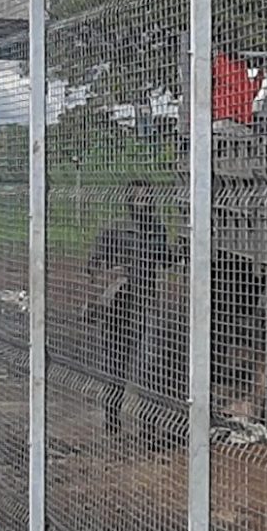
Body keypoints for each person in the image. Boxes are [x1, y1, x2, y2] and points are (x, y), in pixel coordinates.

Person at [86, 178, 180, 439]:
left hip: (145, 306)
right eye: (139, 198)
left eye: (148, 199)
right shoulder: (116, 231)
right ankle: (112, 422)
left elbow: (165, 260)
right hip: (117, 308)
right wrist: (109, 273)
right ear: (129, 201)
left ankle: (147, 429)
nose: (144, 203)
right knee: (114, 367)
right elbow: (93, 265)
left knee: (148, 368)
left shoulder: (156, 231)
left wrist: (179, 251)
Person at [213, 48, 260, 127]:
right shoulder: (241, 68)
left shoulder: (220, 63)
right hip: (240, 120)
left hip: (222, 117)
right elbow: (251, 92)